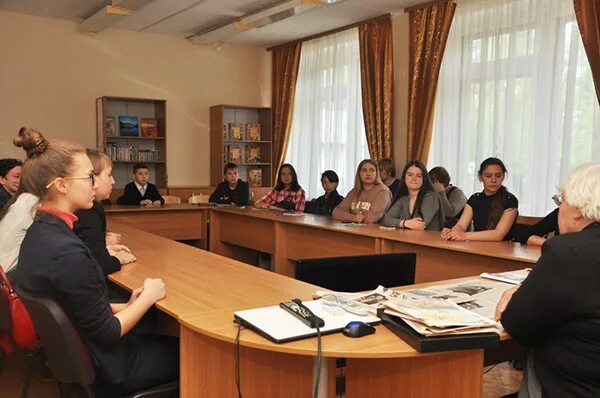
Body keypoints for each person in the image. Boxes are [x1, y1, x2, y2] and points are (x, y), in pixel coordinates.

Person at [14, 129, 179, 396]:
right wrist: (149, 296)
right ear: (61, 185)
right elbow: (109, 332)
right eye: (89, 177)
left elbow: (73, 305)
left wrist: (126, 305)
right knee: (192, 351)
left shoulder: (39, 234)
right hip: (110, 367)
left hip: (85, 361)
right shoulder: (66, 251)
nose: (95, 184)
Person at [495, 163, 600, 398]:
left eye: (560, 200)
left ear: (577, 209)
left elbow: (519, 326)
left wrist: (518, 294)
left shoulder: (567, 252)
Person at [74, 149, 136, 276]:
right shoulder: (88, 211)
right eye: (109, 175)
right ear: (92, 177)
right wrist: (120, 259)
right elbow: (100, 265)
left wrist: (105, 250)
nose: (113, 181)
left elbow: (83, 251)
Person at [441, 157, 518, 241]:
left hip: (503, 249)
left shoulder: (510, 200)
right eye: (488, 176)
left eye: (498, 176)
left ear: (503, 177)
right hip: (477, 245)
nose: (493, 180)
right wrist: (453, 232)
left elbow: (498, 235)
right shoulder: (475, 199)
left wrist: (464, 236)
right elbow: (461, 225)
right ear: (480, 177)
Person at [381, 160, 444, 231]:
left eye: (419, 176)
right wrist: (404, 223)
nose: (414, 178)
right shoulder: (403, 199)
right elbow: (385, 220)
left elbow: (420, 224)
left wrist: (398, 222)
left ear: (424, 179)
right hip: (406, 239)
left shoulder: (431, 196)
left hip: (426, 241)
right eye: (410, 175)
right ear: (404, 178)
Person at [332, 159, 391, 224]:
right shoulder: (354, 191)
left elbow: (371, 219)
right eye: (364, 170)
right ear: (359, 174)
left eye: (372, 170)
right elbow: (336, 212)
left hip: (374, 231)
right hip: (354, 229)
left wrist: (349, 216)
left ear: (377, 173)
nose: (368, 174)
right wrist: (353, 217)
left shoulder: (383, 191)